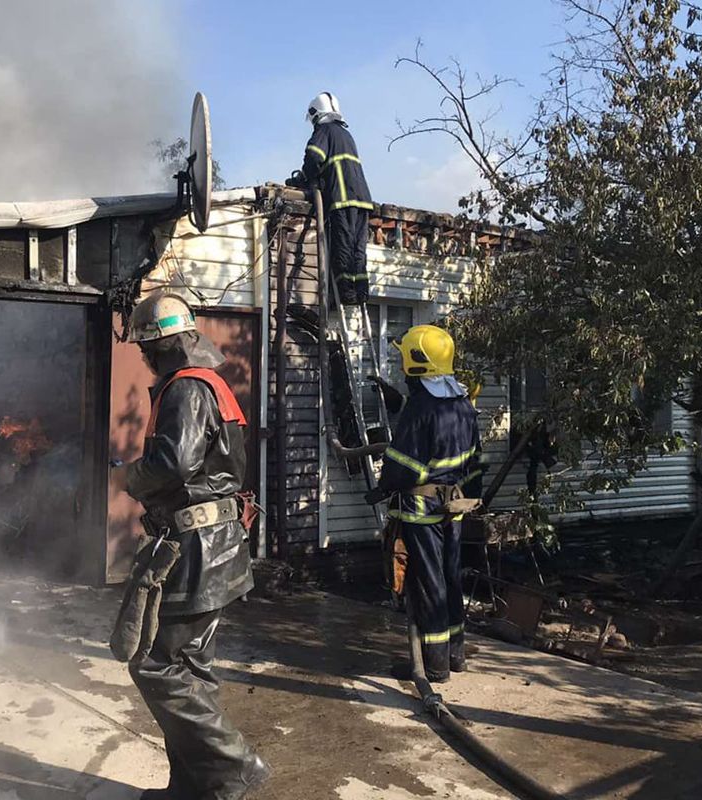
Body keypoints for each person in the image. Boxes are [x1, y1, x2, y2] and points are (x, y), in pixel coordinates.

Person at [122, 292, 270, 800]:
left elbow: (173, 464)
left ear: (163, 347)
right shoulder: (211, 384)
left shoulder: (186, 389)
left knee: (155, 664)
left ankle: (234, 765)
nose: (143, 358)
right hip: (219, 544)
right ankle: (195, 788)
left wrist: (131, 479)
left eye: (146, 348)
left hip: (196, 549)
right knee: (191, 667)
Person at [375, 324, 482, 682]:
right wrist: (398, 404)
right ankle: (455, 654)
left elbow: (405, 465)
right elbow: (465, 453)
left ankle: (434, 666)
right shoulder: (462, 403)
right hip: (453, 508)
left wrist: (380, 487)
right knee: (450, 578)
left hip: (421, 513)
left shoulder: (421, 408)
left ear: (415, 362)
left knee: (429, 582)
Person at [286, 91, 374, 305]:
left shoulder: (324, 131)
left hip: (342, 198)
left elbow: (314, 157)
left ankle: (346, 292)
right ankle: (360, 291)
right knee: (358, 248)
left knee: (343, 244)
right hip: (363, 200)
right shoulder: (346, 135)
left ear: (316, 115)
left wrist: (303, 179)